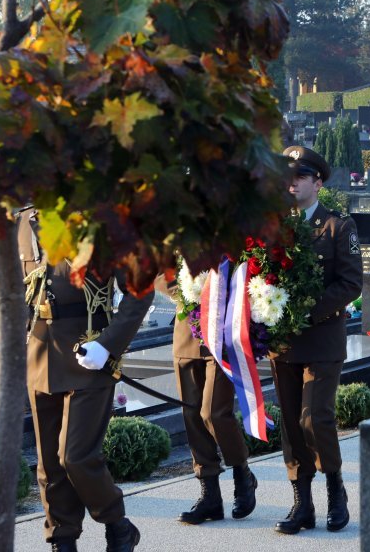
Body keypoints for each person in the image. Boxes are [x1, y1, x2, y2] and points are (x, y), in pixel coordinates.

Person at [17, 207, 153, 552]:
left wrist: (107, 345)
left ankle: (117, 524)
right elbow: (22, 289)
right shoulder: (23, 222)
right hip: (40, 354)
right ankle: (62, 539)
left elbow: (141, 291)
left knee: (75, 456)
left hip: (87, 355)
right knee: (48, 463)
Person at [269, 146, 362, 535]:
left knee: (314, 417)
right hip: (283, 343)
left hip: (322, 339)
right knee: (291, 423)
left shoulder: (338, 228)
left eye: (300, 176)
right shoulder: (273, 227)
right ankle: (301, 502)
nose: (292, 183)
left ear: (317, 182)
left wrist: (306, 312)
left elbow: (351, 283)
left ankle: (335, 489)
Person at [154, 277, 257, 525]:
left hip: (224, 332)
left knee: (213, 412)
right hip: (188, 330)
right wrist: (195, 294)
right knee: (191, 415)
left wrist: (220, 297)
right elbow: (158, 274)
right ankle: (209, 494)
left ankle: (242, 472)